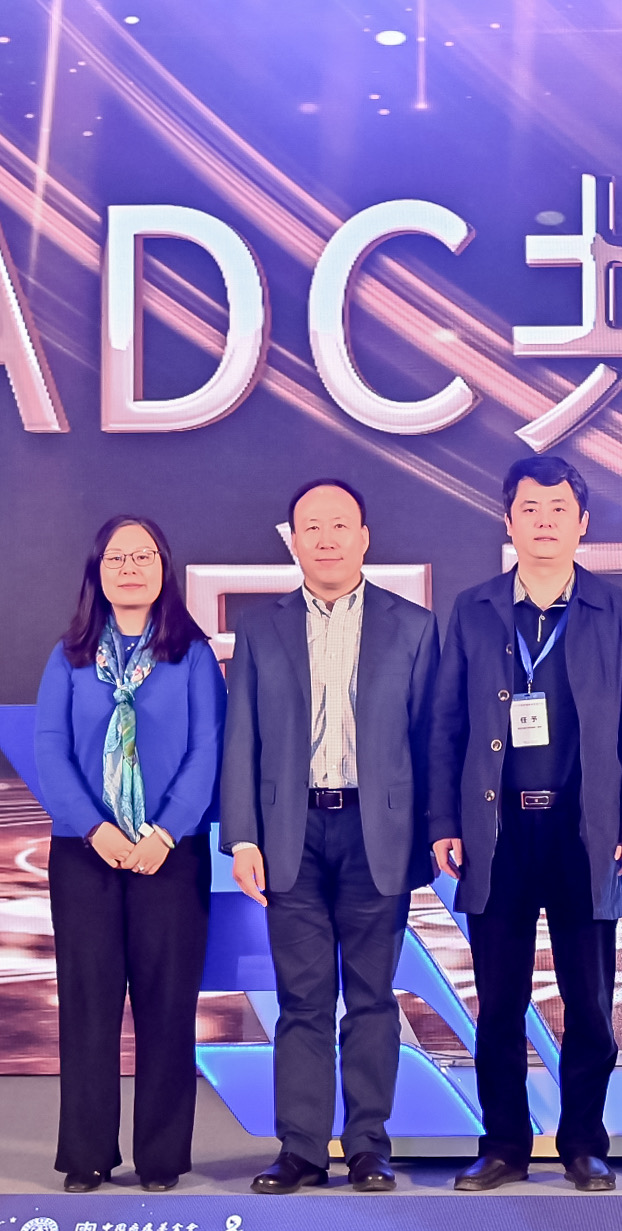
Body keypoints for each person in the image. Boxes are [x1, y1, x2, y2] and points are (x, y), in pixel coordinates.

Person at [429, 455, 622, 1192]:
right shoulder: (475, 608)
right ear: (508, 520)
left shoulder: (616, 611)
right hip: (498, 834)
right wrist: (444, 820)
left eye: (558, 510)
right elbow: (445, 725)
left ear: (582, 523)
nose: (544, 522)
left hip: (587, 832)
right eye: (529, 509)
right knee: (499, 1002)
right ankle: (503, 1146)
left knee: (590, 1001)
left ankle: (584, 1143)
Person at [220, 479, 438, 1194]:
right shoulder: (261, 627)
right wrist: (242, 836)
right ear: (294, 541)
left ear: (364, 536)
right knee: (303, 1000)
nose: (326, 539)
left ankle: (369, 1145)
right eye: (310, 527)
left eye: (339, 524)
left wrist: (433, 833)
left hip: (379, 833)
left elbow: (431, 740)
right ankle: (302, 1149)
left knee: (372, 999)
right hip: (291, 832)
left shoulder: (412, 626)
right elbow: (240, 735)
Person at [33, 515, 225, 1193]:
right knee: (88, 1006)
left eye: (143, 557)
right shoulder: (70, 655)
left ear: (163, 568)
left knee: (167, 1007)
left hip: (170, 855)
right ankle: (86, 1154)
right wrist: (95, 828)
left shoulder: (191, 655)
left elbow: (208, 749)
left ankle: (161, 1157)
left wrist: (165, 832)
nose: (130, 569)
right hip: (84, 854)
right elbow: (50, 748)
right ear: (98, 572)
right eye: (117, 558)